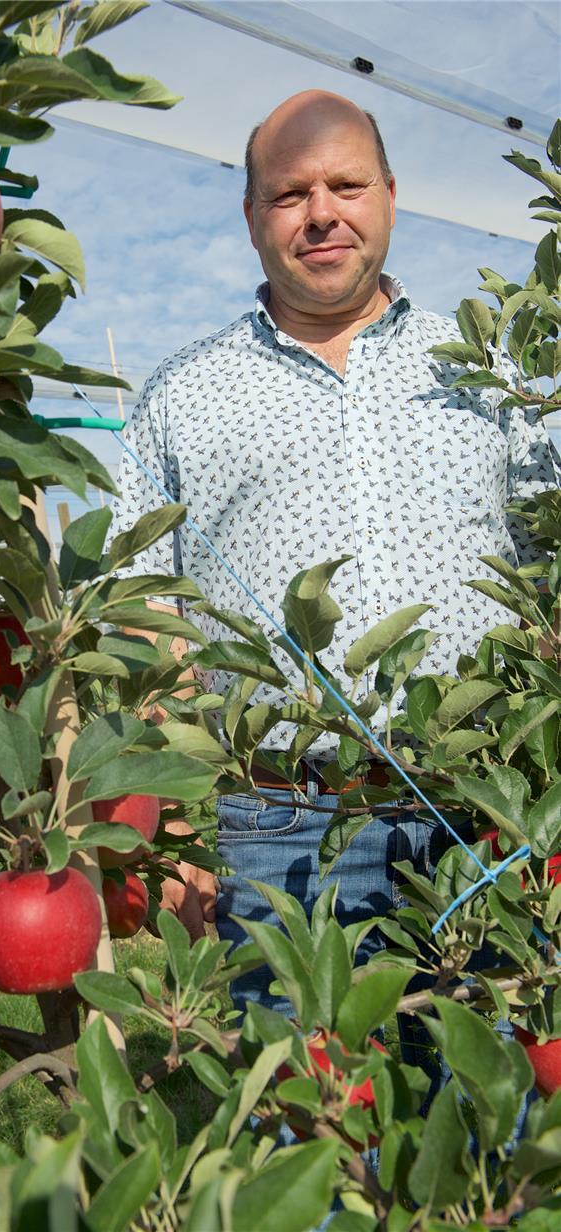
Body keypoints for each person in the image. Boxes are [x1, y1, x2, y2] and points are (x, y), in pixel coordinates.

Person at [109, 91, 560, 1026]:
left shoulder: (483, 373)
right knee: (310, 1130)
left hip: (486, 811)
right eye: (289, 193)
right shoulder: (183, 395)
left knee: (493, 1120)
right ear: (250, 216)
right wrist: (180, 824)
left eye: (346, 184)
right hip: (278, 827)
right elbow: (143, 613)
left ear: (390, 195)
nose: (322, 212)